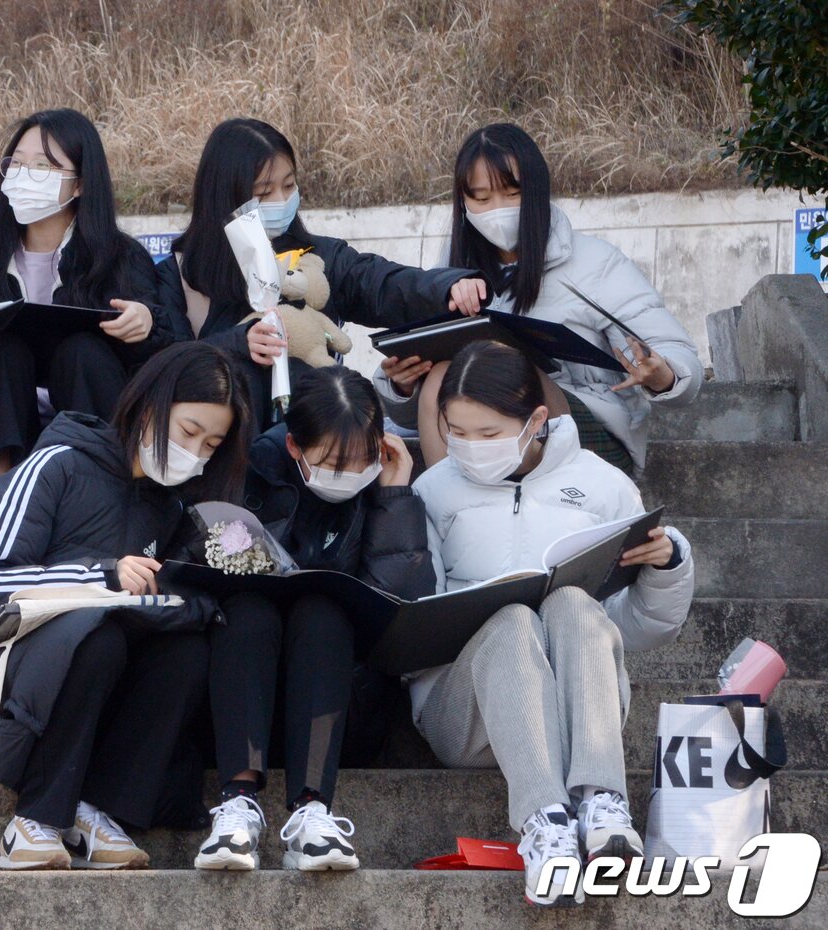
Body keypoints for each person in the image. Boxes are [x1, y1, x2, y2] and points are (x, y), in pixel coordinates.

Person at [0, 341, 252, 870]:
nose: (195, 452)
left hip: (89, 684)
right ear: (149, 405)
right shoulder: (57, 463)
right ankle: (34, 820)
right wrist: (102, 576)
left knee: (184, 653)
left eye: (211, 444)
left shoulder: (171, 508)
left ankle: (95, 810)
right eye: (188, 431)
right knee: (97, 635)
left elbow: (170, 603)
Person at [411, 340, 695, 907]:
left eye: (489, 433)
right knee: (513, 620)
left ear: (536, 420)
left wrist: (668, 565)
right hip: (465, 711)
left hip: (576, 709)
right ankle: (544, 824)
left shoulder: (603, 484)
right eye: (456, 432)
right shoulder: (431, 492)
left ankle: (600, 804)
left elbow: (636, 630)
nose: (470, 448)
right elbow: (413, 625)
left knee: (573, 604)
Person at [195, 365, 435, 872]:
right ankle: (238, 804)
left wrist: (393, 496)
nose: (349, 473)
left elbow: (402, 607)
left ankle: (313, 812)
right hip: (242, 697)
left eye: (363, 460)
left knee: (323, 613)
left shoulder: (383, 485)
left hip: (340, 702)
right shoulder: (248, 469)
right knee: (249, 611)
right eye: (331, 462)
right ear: (293, 447)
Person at [376, 123, 703, 475]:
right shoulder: (449, 273)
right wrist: (403, 386)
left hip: (585, 435)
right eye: (481, 199)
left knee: (503, 367)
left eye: (512, 194)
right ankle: (450, 499)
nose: (497, 210)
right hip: (481, 437)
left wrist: (664, 375)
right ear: (463, 203)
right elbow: (414, 415)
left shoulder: (596, 263)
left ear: (536, 192)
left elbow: (678, 357)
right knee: (445, 374)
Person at [156, 117, 487, 426]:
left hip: (316, 436)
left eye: (289, 185)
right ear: (223, 195)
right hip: (227, 443)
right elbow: (166, 366)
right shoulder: (180, 275)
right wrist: (237, 342)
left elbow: (381, 283)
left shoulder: (321, 257)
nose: (281, 200)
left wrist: (447, 287)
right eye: (264, 193)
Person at [0, 108, 175, 489]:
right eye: (17, 164)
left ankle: (92, 491)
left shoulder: (119, 258)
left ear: (80, 184)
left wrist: (146, 323)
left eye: (43, 166)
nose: (25, 176)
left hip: (90, 428)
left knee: (81, 350)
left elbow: (164, 353)